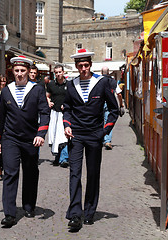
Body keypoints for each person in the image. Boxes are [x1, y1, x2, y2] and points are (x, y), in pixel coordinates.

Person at [63, 49, 119, 230]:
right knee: (75, 174)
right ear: (76, 67)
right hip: (76, 135)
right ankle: (75, 214)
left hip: (95, 135)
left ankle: (89, 212)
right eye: (80, 66)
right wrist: (67, 125)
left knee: (93, 174)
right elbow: (67, 108)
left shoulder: (102, 83)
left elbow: (114, 110)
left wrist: (104, 132)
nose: (83, 69)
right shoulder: (71, 85)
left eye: (86, 65)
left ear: (90, 65)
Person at [0, 56, 50, 227]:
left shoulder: (37, 89)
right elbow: (0, 117)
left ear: (28, 72)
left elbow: (45, 112)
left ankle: (28, 205)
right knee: (10, 172)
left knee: (31, 172)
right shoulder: (6, 91)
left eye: (22, 71)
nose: (19, 74)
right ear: (12, 71)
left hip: (31, 138)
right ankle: (9, 213)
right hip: (10, 138)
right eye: (16, 71)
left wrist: (41, 133)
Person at [46, 64, 69, 168]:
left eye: (60, 72)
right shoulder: (51, 84)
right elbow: (47, 96)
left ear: (63, 72)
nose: (58, 74)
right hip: (54, 113)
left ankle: (64, 158)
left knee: (64, 135)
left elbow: (72, 98)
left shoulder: (69, 84)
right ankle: (57, 157)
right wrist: (49, 102)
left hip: (65, 114)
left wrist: (67, 105)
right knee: (54, 136)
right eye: (56, 72)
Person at [101, 66, 124, 150]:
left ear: (101, 72)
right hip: (109, 104)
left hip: (99, 104)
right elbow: (119, 94)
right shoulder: (113, 82)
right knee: (108, 121)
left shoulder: (97, 81)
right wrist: (121, 104)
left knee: (99, 122)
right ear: (108, 72)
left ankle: (99, 139)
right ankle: (107, 141)